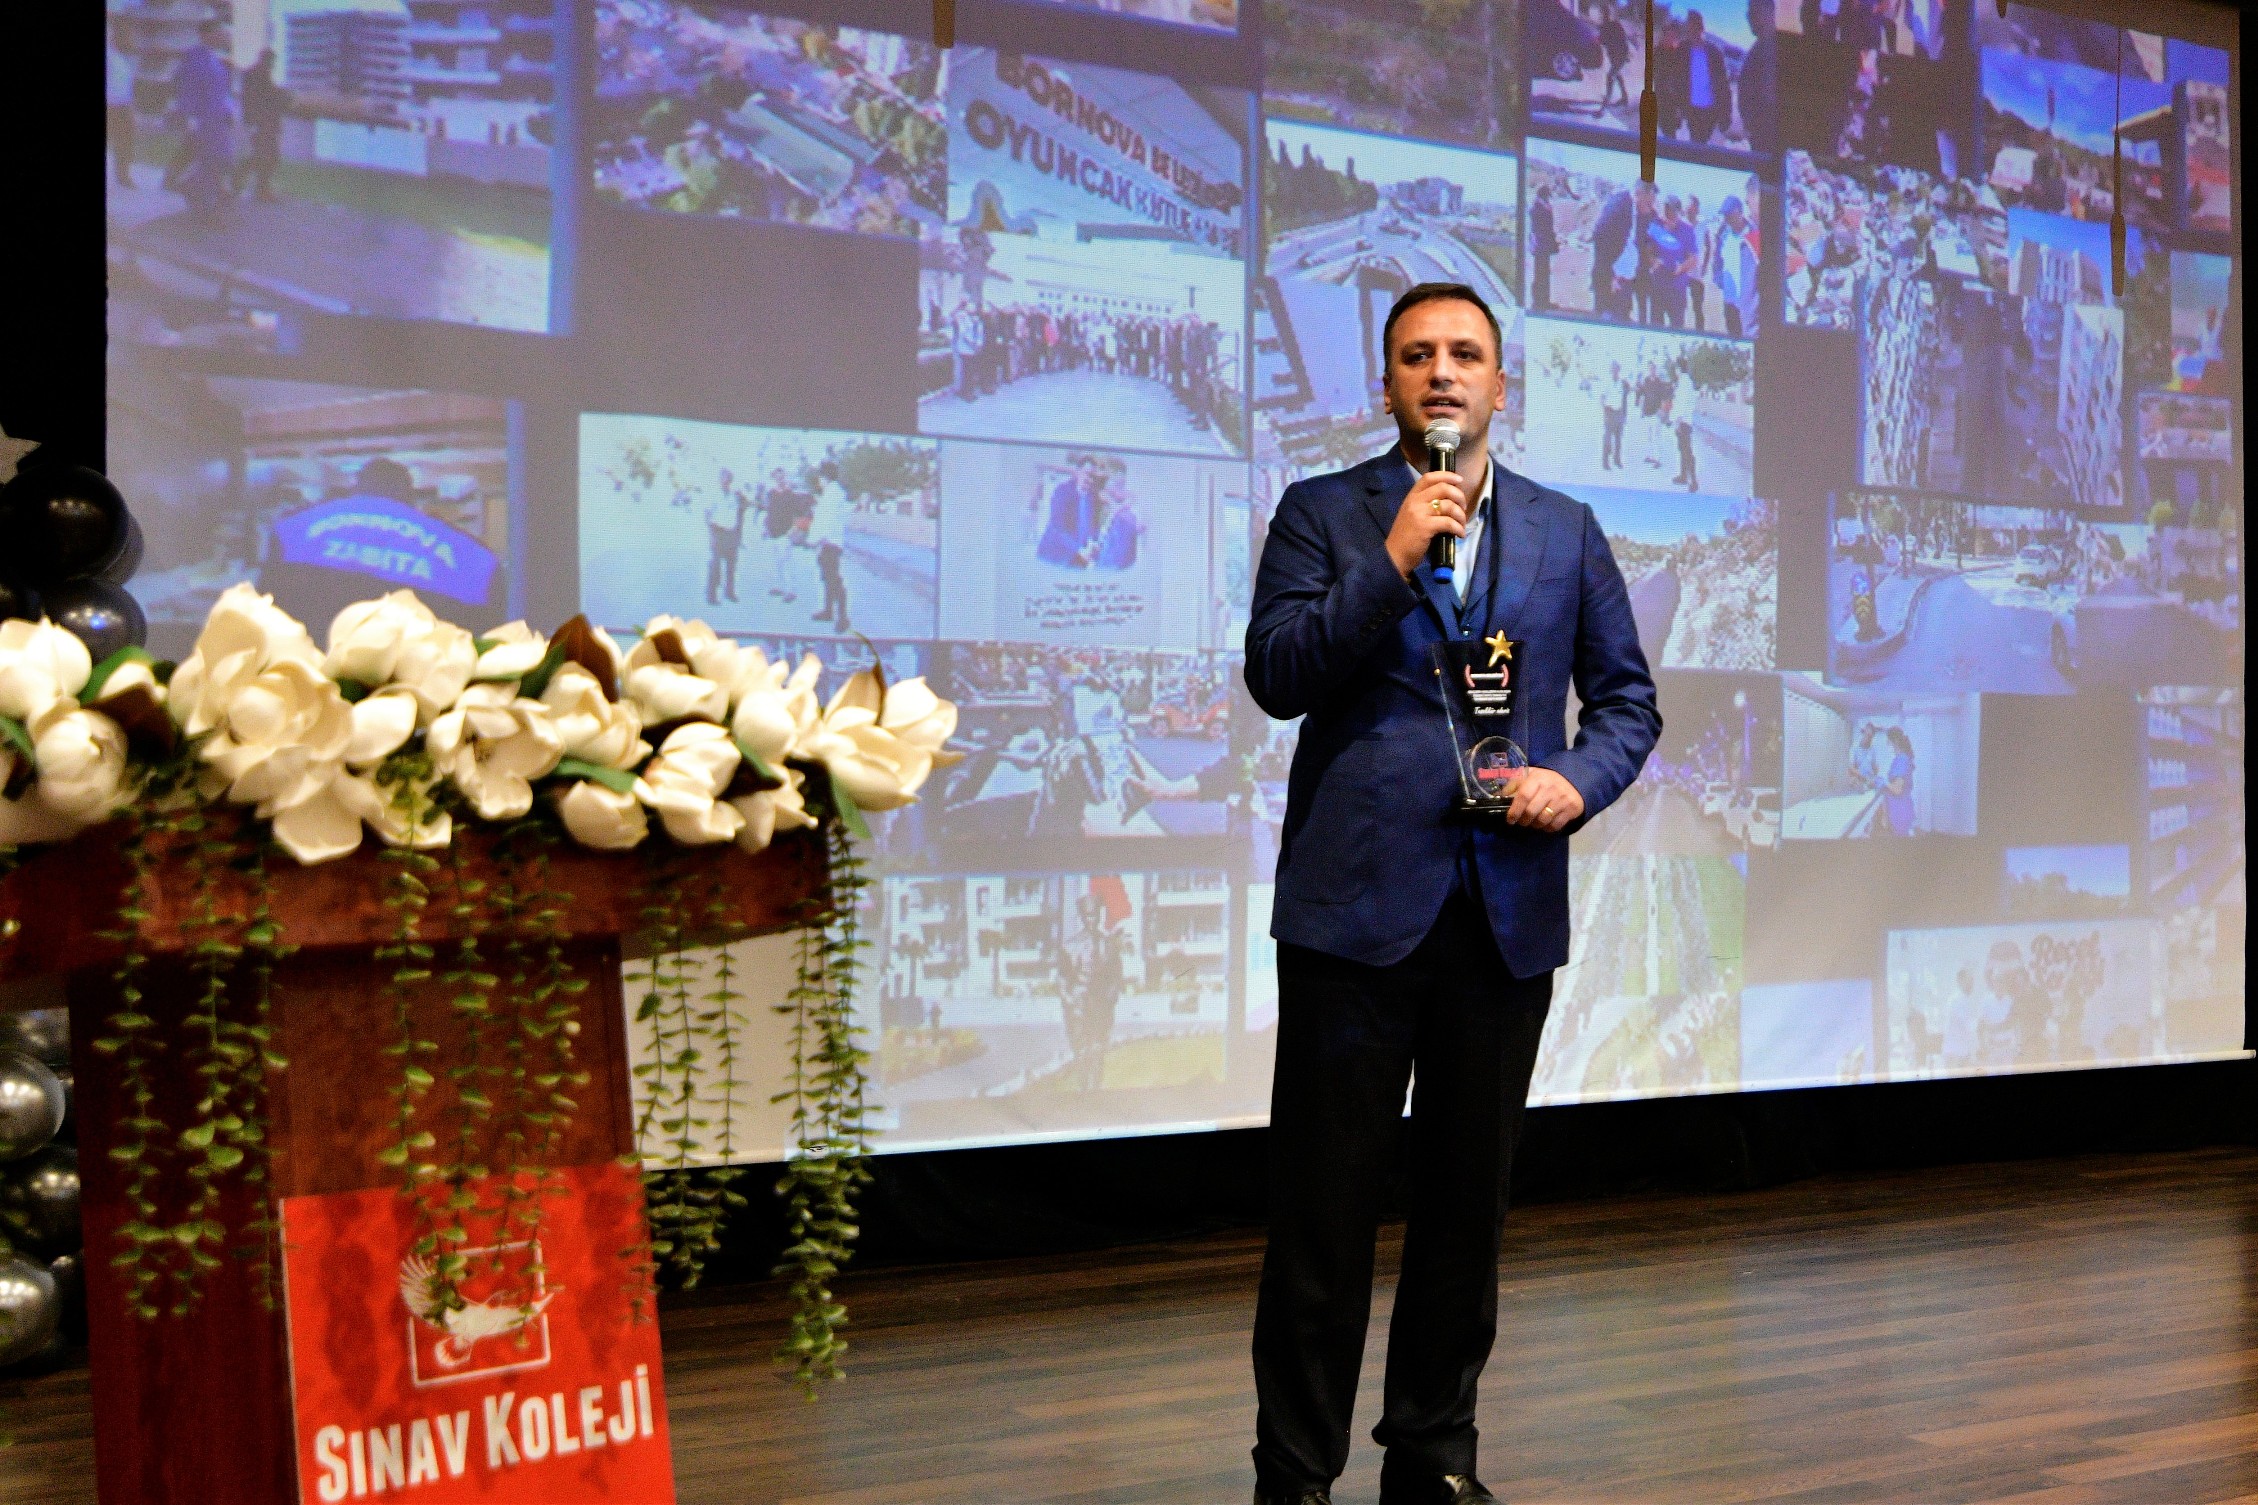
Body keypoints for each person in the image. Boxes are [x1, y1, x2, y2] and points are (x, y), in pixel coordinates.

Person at [1243, 282, 1660, 1505]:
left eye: (1464, 353)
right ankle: (1294, 1472)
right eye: (1416, 354)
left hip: (1502, 911)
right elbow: (1277, 673)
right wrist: (1389, 559)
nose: (1441, 372)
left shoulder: (1564, 529)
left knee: (1464, 1210)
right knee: (1323, 1212)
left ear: (1498, 383)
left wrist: (1574, 782)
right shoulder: (1323, 512)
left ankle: (1432, 1454)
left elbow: (1625, 701)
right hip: (1352, 914)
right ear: (1384, 385)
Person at [170, 20, 237, 215]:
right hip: (203, 119)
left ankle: (193, 188)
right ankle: (203, 203)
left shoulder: (215, 59)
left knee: (222, 158)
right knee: (213, 158)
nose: (223, 36)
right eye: (219, 33)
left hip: (217, 118)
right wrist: (190, 118)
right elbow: (187, 89)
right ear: (206, 35)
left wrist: (229, 110)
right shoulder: (194, 58)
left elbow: (221, 91)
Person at [1677, 11, 1734, 145]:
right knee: (1696, 142)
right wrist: (1677, 107)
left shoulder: (1714, 52)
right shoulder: (1683, 50)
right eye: (1689, 29)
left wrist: (1726, 113)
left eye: (1694, 28)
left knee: (1704, 143)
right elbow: (1677, 78)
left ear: (1701, 28)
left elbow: (1723, 85)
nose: (1692, 33)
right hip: (1691, 108)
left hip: (1710, 109)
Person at [235, 48, 284, 201]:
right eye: (272, 61)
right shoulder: (258, 75)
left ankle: (250, 182)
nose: (273, 64)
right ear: (267, 60)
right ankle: (260, 188)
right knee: (268, 156)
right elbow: (260, 99)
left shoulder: (257, 74)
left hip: (262, 124)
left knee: (263, 156)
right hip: (263, 124)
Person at [807, 461, 851, 631]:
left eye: (820, 477)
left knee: (834, 580)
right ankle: (828, 611)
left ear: (825, 477)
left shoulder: (833, 494)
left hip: (830, 542)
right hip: (828, 542)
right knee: (827, 578)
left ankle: (843, 618)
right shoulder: (831, 493)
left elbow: (827, 521)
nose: (819, 481)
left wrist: (814, 540)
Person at [1712, 195, 1759, 338]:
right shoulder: (1723, 235)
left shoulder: (1754, 234)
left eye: (1729, 215)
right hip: (1729, 300)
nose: (1727, 219)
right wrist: (1719, 279)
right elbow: (1717, 260)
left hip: (1749, 303)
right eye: (1725, 215)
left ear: (1739, 212)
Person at [703, 471, 745, 605]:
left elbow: (740, 513)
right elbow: (707, 514)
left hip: (731, 533)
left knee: (731, 565)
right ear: (720, 480)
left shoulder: (735, 496)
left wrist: (738, 535)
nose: (725, 482)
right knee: (715, 565)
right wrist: (711, 534)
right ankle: (711, 595)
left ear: (730, 481)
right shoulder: (714, 495)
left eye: (728, 479)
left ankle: (729, 592)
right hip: (718, 532)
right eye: (723, 479)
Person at [107, 24, 136, 188]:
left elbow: (127, 85)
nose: (129, 40)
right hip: (110, 106)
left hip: (124, 105)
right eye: (125, 37)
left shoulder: (125, 59)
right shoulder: (109, 56)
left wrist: (131, 106)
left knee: (125, 141)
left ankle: (123, 175)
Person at [1879, 726, 1916, 835]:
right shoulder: (1900, 759)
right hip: (1899, 809)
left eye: (1888, 741)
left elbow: (1897, 790)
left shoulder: (1902, 760)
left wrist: (1883, 782)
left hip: (1900, 812)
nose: (1887, 744)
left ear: (1895, 741)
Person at [1528, 185, 1557, 312]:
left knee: (1543, 274)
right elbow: (1542, 228)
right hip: (1541, 246)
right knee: (1541, 274)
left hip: (1542, 245)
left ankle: (1543, 301)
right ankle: (1539, 302)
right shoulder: (1538, 209)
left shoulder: (1540, 207)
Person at [1671, 359, 1700, 490]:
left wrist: (1677, 421)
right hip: (1684, 421)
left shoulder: (1684, 383)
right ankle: (1683, 476)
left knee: (1687, 451)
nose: (1675, 371)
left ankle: (1693, 481)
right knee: (1683, 450)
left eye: (1676, 368)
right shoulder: (1685, 382)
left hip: (1683, 422)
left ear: (1679, 368)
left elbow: (1681, 405)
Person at [1599, 7, 1632, 111]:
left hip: (1619, 54)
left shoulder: (1613, 26)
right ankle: (1624, 98)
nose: (1604, 16)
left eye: (1605, 14)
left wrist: (1625, 55)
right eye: (1604, 14)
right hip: (1615, 55)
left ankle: (1607, 99)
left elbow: (1621, 40)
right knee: (1617, 74)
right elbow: (1603, 40)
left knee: (1610, 75)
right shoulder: (1606, 26)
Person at [1600, 360, 1629, 471]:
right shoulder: (1606, 382)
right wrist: (1605, 411)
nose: (1615, 371)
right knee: (1607, 439)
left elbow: (1625, 398)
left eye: (1617, 369)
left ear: (1619, 370)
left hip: (1619, 413)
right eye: (1613, 369)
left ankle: (1617, 460)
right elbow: (1602, 398)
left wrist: (1624, 415)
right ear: (1611, 370)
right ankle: (1605, 462)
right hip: (1609, 413)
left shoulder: (1622, 382)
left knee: (1618, 439)